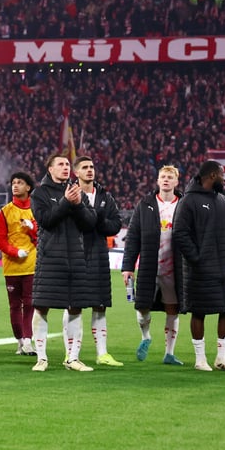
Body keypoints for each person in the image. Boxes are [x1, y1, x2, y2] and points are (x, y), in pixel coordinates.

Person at [30, 154, 96, 372]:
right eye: (61, 164)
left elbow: (89, 223)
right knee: (42, 307)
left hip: (76, 258)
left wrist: (77, 205)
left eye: (68, 164)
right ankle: (41, 358)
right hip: (50, 259)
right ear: (50, 169)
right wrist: (65, 202)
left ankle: (73, 358)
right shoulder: (40, 193)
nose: (66, 167)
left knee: (76, 307)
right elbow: (46, 221)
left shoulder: (79, 192)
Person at [173, 160, 225, 372]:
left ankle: (222, 357)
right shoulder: (188, 201)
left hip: (224, 267)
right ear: (211, 176)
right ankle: (200, 359)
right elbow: (180, 233)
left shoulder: (222, 200)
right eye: (222, 174)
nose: (224, 178)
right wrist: (197, 258)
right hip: (199, 268)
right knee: (199, 311)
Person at [122, 165, 185, 366]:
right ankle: (146, 336)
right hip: (150, 265)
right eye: (162, 177)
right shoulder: (146, 204)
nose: (166, 180)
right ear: (157, 181)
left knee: (172, 309)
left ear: (176, 182)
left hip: (174, 269)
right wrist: (127, 266)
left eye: (170, 177)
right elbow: (132, 237)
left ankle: (169, 353)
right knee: (142, 308)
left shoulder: (183, 205)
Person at [71, 156, 124, 367]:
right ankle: (71, 354)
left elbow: (116, 225)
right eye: (84, 167)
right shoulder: (71, 195)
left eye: (91, 167)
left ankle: (102, 353)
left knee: (100, 306)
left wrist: (99, 220)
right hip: (75, 254)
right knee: (74, 306)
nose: (89, 170)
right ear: (76, 173)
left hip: (99, 256)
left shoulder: (105, 197)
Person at [0, 171, 38, 356]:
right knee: (14, 306)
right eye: (13, 182)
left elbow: (42, 237)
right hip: (11, 265)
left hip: (31, 265)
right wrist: (15, 251)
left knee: (29, 304)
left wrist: (32, 229)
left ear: (28, 187)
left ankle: (28, 341)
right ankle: (19, 342)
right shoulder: (5, 212)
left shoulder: (36, 210)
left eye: (20, 182)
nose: (15, 185)